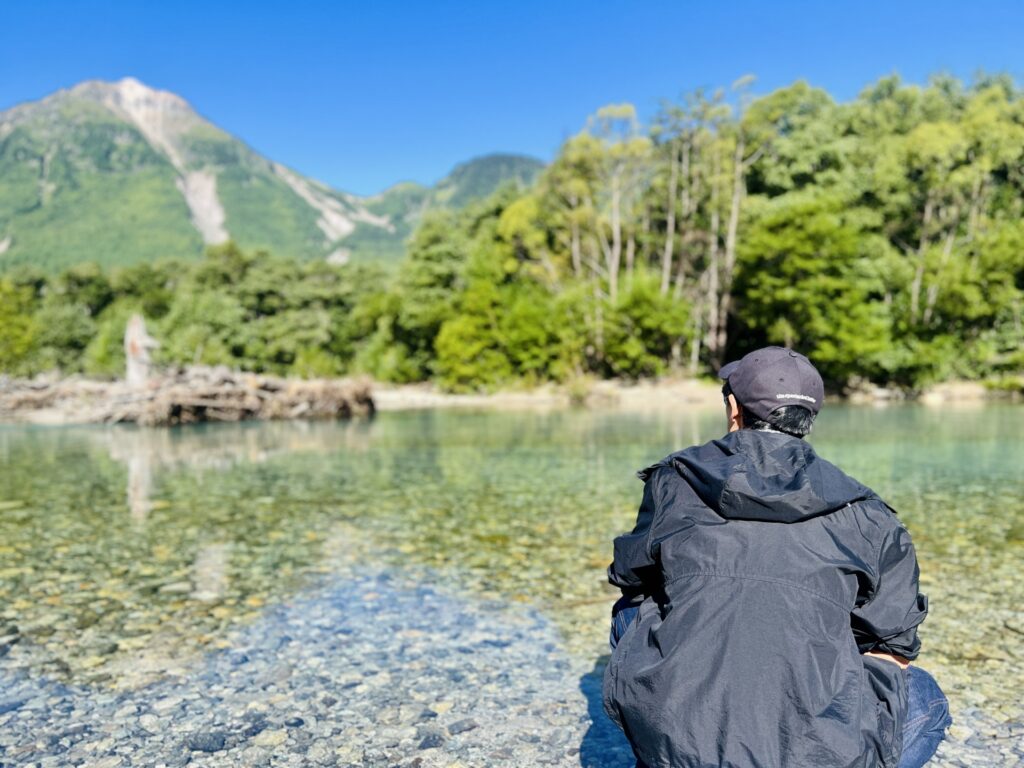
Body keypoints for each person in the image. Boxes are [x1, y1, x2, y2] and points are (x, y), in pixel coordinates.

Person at [602, 347, 951, 768]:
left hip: (681, 752)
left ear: (734, 409)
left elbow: (629, 575)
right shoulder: (868, 513)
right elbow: (895, 646)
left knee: (631, 610)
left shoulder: (674, 482)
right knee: (924, 695)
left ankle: (666, 731)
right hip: (820, 757)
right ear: (807, 420)